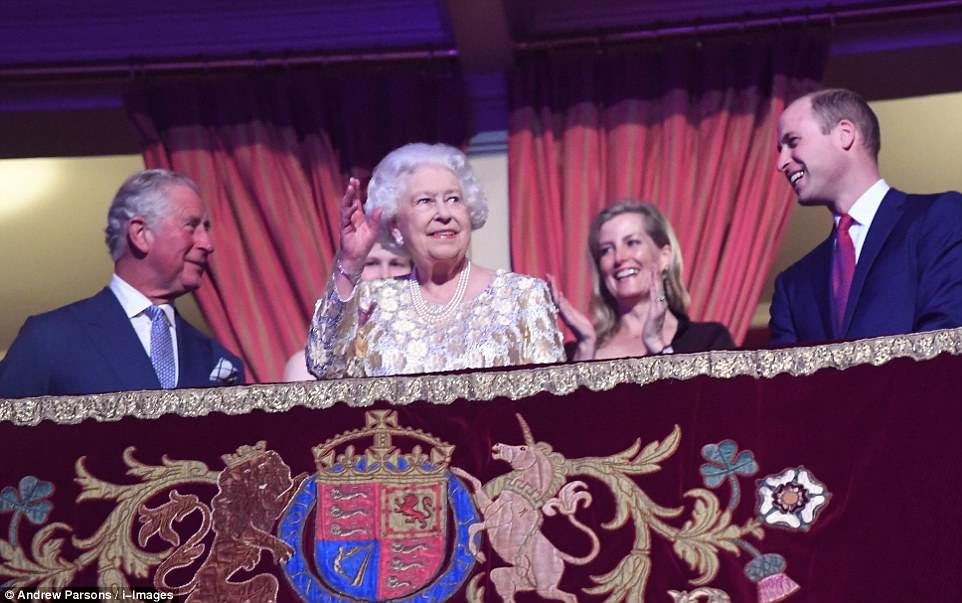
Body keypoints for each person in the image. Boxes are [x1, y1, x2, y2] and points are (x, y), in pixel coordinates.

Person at [306, 142, 564, 378]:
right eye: (425, 201)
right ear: (396, 223)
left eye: (453, 199)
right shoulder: (371, 302)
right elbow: (324, 365)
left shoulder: (523, 296)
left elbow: (550, 404)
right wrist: (351, 261)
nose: (444, 213)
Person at [0, 169, 244, 398]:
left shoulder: (218, 361)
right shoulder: (50, 339)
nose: (207, 244)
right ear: (140, 234)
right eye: (191, 226)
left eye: (206, 229)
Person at [769, 88, 962, 344]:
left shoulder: (939, 218)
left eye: (793, 142)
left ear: (845, 135)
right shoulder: (792, 286)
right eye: (780, 149)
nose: (781, 163)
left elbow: (945, 344)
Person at [548, 201, 733, 360]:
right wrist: (586, 348)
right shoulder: (577, 351)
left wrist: (657, 345)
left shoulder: (708, 342)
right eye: (606, 250)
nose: (619, 257)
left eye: (632, 242)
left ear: (664, 257)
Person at [282, 242, 412, 381]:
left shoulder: (427, 357)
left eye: (396, 264)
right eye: (371, 263)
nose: (385, 275)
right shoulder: (306, 368)